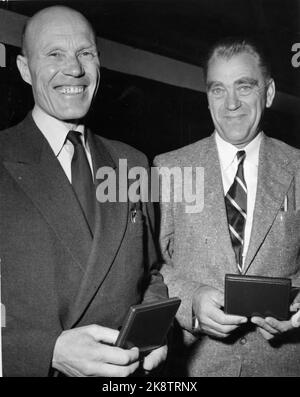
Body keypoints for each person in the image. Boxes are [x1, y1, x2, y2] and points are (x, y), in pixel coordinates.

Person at [0, 5, 168, 377]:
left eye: (85, 53)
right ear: (25, 70)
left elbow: (152, 273)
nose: (74, 68)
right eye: (54, 54)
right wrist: (46, 351)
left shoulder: (133, 162)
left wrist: (155, 331)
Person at [154, 37, 300, 376]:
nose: (231, 103)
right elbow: (152, 267)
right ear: (207, 98)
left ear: (269, 92)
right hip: (195, 368)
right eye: (218, 90)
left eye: (244, 87)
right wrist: (191, 302)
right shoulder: (169, 168)